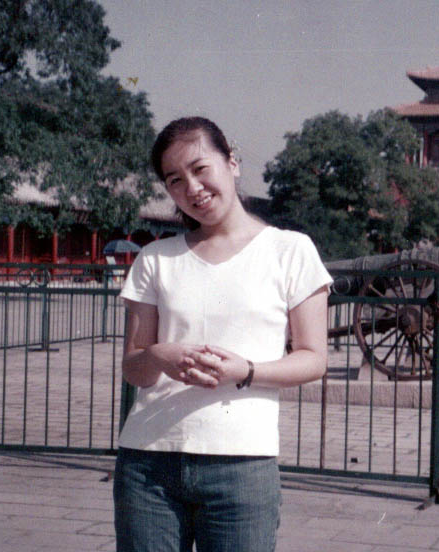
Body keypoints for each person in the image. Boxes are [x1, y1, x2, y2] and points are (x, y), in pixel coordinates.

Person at [114, 117, 332, 552]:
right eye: (175, 180)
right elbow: (134, 369)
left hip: (242, 467)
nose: (192, 188)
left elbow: (314, 358)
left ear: (232, 161)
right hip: (149, 464)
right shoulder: (155, 259)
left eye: (200, 169)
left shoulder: (290, 250)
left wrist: (246, 370)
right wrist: (159, 356)